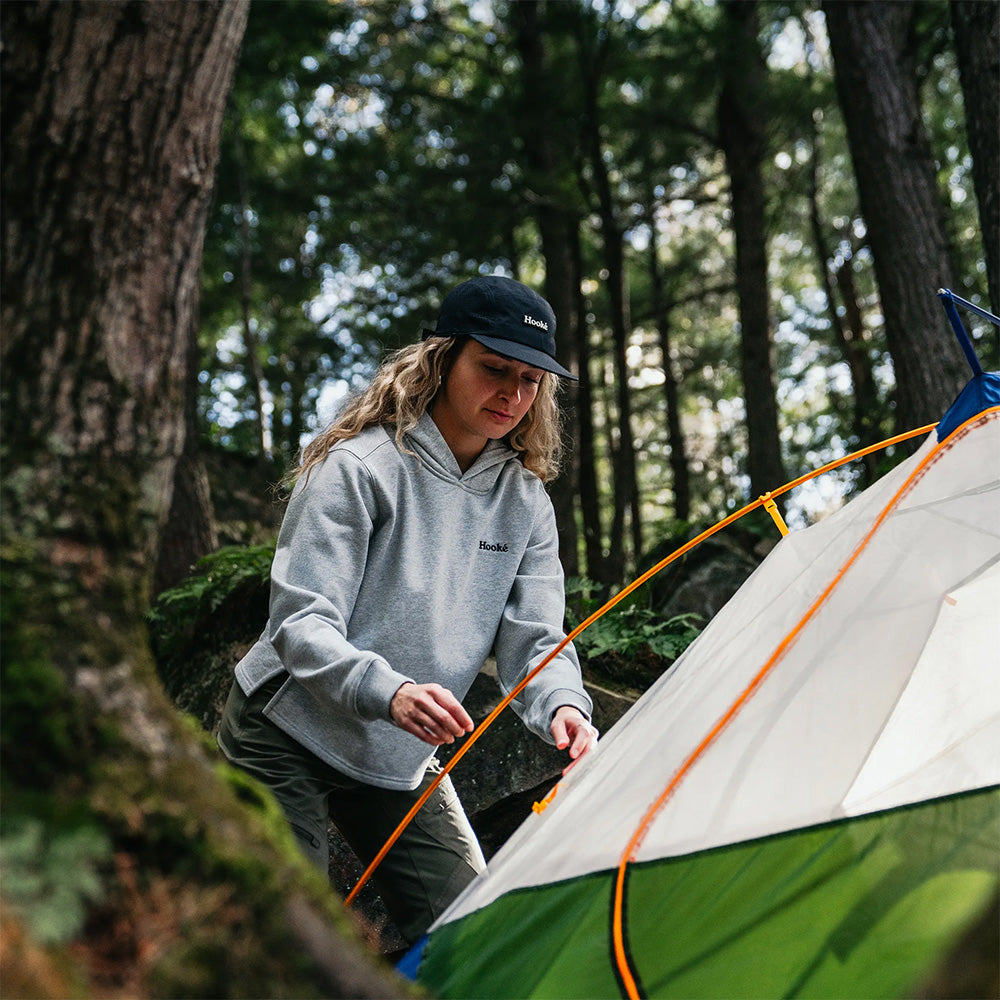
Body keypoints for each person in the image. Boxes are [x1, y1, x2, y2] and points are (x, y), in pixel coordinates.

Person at [217, 274, 598, 948]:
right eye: (494, 368)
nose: (513, 393)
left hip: (399, 751)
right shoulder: (358, 467)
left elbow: (534, 637)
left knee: (468, 935)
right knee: (293, 942)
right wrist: (390, 692)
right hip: (286, 726)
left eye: (531, 378)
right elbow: (301, 625)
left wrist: (564, 707)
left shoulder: (526, 502)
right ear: (442, 358)